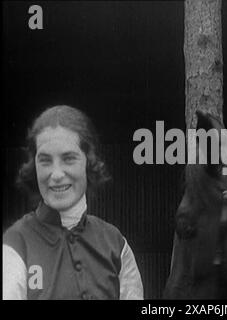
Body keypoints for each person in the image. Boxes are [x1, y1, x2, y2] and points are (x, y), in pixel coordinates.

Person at [3, 105, 144, 300]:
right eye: (45, 161)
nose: (57, 174)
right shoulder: (15, 245)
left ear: (89, 161)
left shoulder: (116, 245)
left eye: (68, 158)